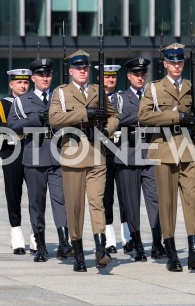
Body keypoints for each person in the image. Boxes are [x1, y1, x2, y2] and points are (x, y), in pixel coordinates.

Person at [138, 43, 195, 272]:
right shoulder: (155, 89)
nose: (177, 66)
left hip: (188, 149)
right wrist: (176, 116)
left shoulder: (192, 87)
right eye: (172, 62)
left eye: (180, 62)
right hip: (165, 149)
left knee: (191, 201)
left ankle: (193, 252)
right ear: (165, 64)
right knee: (167, 204)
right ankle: (171, 254)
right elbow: (144, 116)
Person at [49, 50, 120, 272]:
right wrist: (86, 114)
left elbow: (114, 115)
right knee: (75, 206)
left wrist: (106, 131)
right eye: (78, 68)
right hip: (72, 153)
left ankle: (100, 249)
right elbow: (54, 118)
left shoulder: (98, 91)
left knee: (97, 202)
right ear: (70, 71)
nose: (82, 71)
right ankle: (78, 253)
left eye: (85, 68)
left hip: (96, 153)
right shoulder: (61, 92)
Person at [7, 58, 73, 262]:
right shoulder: (21, 101)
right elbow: (12, 127)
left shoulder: (59, 98)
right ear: (33, 78)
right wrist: (36, 120)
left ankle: (64, 241)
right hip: (34, 155)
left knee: (61, 200)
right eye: (41, 75)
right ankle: (41, 245)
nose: (45, 78)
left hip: (57, 154)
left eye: (48, 74)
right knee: (37, 203)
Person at [113, 57, 166, 262]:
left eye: (143, 74)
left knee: (156, 201)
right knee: (131, 203)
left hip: (151, 155)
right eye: (136, 74)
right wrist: (144, 116)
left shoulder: (154, 96)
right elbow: (116, 120)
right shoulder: (120, 98)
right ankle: (136, 244)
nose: (140, 77)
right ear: (128, 76)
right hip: (127, 155)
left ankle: (157, 242)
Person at [0, 68, 30, 255]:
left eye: (26, 82)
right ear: (11, 84)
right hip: (12, 152)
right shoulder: (2, 104)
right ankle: (16, 234)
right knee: (13, 195)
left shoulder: (35, 102)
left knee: (36, 196)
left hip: (33, 151)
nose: (23, 85)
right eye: (19, 82)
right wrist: (15, 128)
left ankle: (37, 236)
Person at [94, 64, 132, 254]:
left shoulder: (123, 97)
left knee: (125, 196)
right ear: (100, 78)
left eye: (113, 77)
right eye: (107, 77)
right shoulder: (95, 97)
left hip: (122, 150)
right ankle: (109, 237)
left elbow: (129, 117)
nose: (110, 80)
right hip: (103, 152)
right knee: (105, 196)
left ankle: (128, 236)